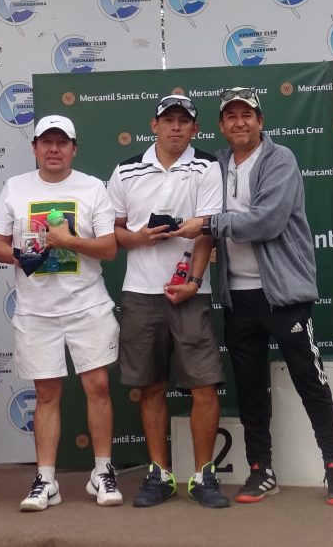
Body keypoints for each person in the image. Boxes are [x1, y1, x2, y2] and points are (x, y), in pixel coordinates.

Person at [174, 87, 333, 506]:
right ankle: (260, 470)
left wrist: (208, 223)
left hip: (284, 295)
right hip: (238, 296)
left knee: (311, 382)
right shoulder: (214, 165)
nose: (240, 122)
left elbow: (267, 221)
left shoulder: (281, 159)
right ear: (221, 126)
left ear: (261, 121)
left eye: (248, 115)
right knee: (251, 389)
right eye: (231, 116)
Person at [0, 115, 123, 512]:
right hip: (36, 311)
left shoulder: (93, 187)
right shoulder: (15, 187)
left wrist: (68, 241)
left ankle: (102, 471)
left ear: (74, 148)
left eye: (61, 142)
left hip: (88, 305)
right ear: (34, 148)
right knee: (46, 393)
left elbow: (110, 248)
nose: (53, 149)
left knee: (97, 385)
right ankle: (45, 480)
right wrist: (20, 254)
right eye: (45, 142)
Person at [107, 94, 229, 509]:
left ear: (195, 129)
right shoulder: (125, 168)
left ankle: (203, 475)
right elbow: (113, 231)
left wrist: (194, 280)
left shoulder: (208, 165)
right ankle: (159, 474)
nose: (175, 127)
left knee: (204, 385)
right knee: (151, 385)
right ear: (153, 125)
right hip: (140, 294)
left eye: (184, 121)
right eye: (167, 120)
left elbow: (208, 230)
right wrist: (139, 238)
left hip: (191, 293)